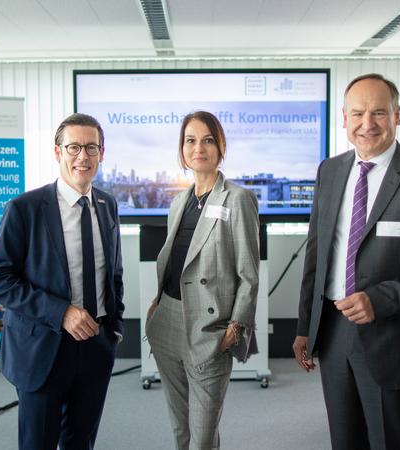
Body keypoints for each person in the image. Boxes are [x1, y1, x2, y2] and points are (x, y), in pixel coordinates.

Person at [292, 74, 400, 449]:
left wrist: (381, 299)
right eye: (357, 113)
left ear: (397, 115)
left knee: (390, 441)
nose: (367, 124)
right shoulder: (330, 171)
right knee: (345, 440)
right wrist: (306, 325)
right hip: (334, 331)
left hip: (394, 336)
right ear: (343, 118)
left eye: (378, 113)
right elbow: (317, 253)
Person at [0, 113, 124, 450]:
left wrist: (114, 328)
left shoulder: (107, 205)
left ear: (102, 153)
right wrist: (61, 313)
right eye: (74, 147)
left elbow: (114, 273)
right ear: (57, 152)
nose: (83, 157)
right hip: (43, 347)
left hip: (95, 345)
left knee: (81, 443)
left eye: (91, 148)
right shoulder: (25, 208)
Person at [145, 111, 260, 450]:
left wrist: (236, 328)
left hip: (209, 328)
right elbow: (174, 261)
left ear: (220, 147)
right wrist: (155, 305)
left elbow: (249, 274)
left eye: (208, 139)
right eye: (190, 140)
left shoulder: (237, 199)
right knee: (181, 431)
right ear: (182, 150)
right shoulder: (179, 201)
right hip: (167, 321)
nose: (199, 148)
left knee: (203, 438)